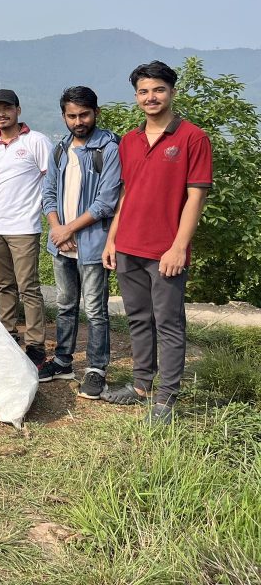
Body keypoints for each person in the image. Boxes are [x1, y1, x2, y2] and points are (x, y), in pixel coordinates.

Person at [102, 62, 212, 424]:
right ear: (137, 97)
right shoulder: (130, 141)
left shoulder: (192, 138)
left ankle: (165, 398)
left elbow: (195, 197)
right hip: (129, 245)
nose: (151, 97)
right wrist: (112, 239)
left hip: (165, 249)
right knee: (138, 318)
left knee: (168, 323)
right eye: (144, 91)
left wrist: (179, 246)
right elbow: (126, 194)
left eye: (159, 90)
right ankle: (140, 386)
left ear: (172, 92)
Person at [40, 86, 121, 398]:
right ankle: (63, 360)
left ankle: (97, 367)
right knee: (65, 305)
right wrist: (57, 229)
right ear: (63, 116)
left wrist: (68, 230)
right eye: (72, 115)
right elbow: (48, 193)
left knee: (96, 309)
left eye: (84, 114)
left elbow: (106, 202)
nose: (78, 121)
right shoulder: (60, 148)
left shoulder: (108, 148)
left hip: (92, 243)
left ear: (96, 113)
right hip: (62, 243)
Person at [0, 89, 53, 367]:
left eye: (7, 108)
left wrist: (49, 216)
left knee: (28, 287)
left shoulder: (36, 141)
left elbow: (50, 182)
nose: (1, 114)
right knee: (4, 285)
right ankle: (7, 334)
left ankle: (36, 345)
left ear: (18, 109)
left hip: (24, 227)